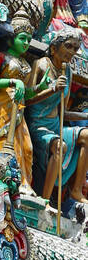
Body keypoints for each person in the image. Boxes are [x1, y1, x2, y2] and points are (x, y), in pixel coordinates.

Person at [26, 27, 88, 205]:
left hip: (55, 124)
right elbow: (26, 99)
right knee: (59, 146)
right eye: (68, 46)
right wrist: (51, 89)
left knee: (86, 135)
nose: (72, 52)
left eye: (76, 48)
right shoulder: (41, 65)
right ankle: (45, 200)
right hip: (38, 124)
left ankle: (76, 190)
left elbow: (63, 113)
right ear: (54, 48)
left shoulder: (67, 71)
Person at [0, 13, 35, 189]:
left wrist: (43, 87)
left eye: (28, 40)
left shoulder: (26, 65)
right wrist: (13, 81)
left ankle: (24, 184)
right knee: (6, 142)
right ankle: (3, 181)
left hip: (18, 108)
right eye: (22, 38)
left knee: (26, 148)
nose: (26, 43)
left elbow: (26, 94)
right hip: (1, 105)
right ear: (12, 38)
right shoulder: (1, 56)